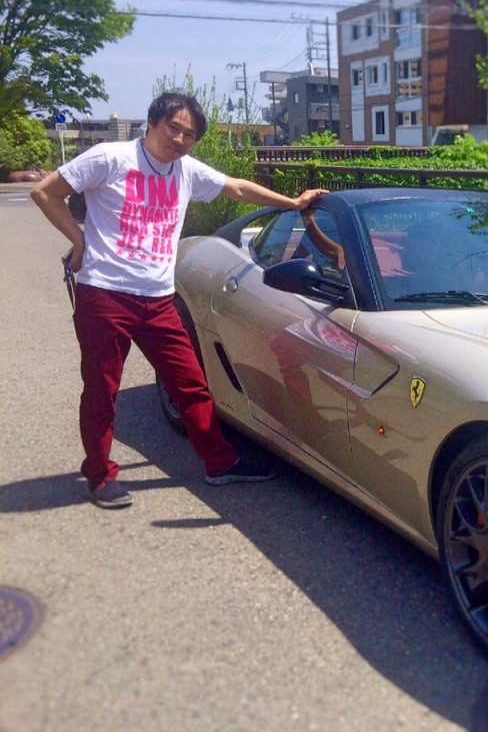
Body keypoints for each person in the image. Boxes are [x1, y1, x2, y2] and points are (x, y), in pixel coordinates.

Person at [31, 91, 329, 509]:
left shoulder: (186, 170)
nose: (180, 139)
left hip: (157, 298)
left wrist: (293, 203)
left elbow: (237, 188)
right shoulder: (111, 158)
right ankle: (99, 475)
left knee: (191, 384)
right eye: (174, 128)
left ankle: (219, 463)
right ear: (153, 122)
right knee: (101, 389)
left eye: (190, 135)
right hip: (106, 294)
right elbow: (46, 192)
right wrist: (80, 242)